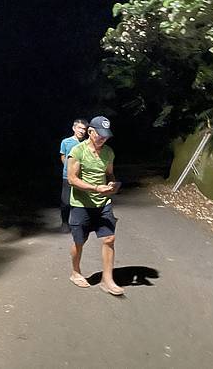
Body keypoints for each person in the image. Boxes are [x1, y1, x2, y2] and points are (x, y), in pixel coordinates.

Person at [66, 116, 123, 295]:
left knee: (109, 239)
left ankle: (107, 280)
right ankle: (75, 272)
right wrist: (95, 188)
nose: (103, 139)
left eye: (106, 136)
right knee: (79, 241)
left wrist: (114, 184)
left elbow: (110, 174)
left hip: (103, 202)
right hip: (81, 204)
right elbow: (72, 179)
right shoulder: (77, 151)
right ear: (90, 132)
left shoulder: (108, 153)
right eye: (100, 135)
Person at [59, 119, 88, 233]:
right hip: (67, 176)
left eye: (84, 129)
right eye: (79, 128)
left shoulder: (86, 143)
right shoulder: (66, 142)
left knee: (81, 201)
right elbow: (63, 156)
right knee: (65, 201)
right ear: (74, 128)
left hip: (82, 177)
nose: (81, 131)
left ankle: (80, 223)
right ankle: (65, 223)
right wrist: (69, 169)